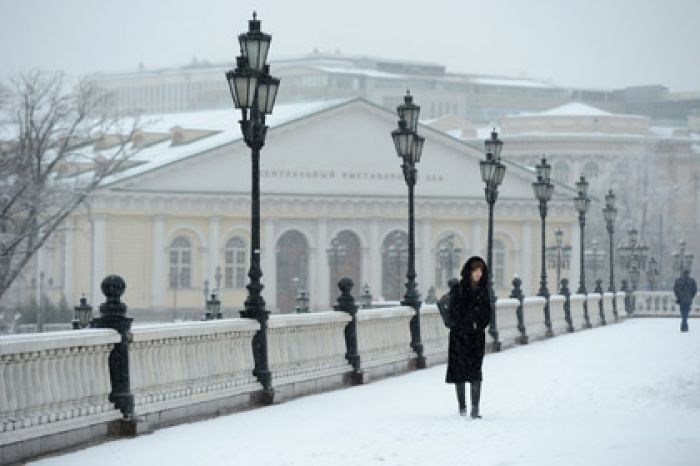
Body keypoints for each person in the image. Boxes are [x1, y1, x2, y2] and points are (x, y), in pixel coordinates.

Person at [445, 256, 492, 419]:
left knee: (475, 372)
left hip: (476, 337)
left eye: (481, 270)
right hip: (459, 336)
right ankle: (462, 408)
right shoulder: (458, 288)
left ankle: (475, 409)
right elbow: (453, 312)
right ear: (469, 271)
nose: (479, 273)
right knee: (459, 372)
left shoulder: (484, 290)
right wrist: (466, 321)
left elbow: (488, 313)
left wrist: (478, 323)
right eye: (475, 270)